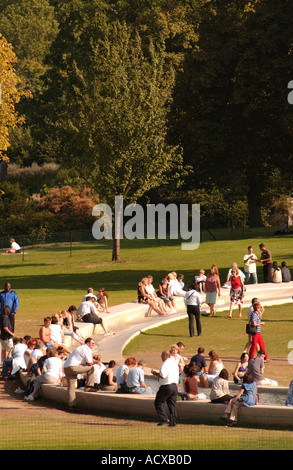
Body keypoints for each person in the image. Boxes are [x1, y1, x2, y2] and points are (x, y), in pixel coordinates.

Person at [64, 338, 98, 409]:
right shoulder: (87, 349)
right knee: (91, 368)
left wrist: (93, 360)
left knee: (71, 387)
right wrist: (97, 362)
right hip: (73, 367)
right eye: (92, 343)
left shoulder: (80, 348)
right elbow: (90, 363)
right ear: (88, 343)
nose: (93, 345)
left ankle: (71, 405)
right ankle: (89, 387)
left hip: (67, 368)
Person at [151, 350, 179, 427]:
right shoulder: (174, 363)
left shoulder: (165, 363)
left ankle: (163, 418)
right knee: (172, 405)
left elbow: (163, 375)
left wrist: (155, 374)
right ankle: (173, 422)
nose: (161, 358)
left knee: (158, 402)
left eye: (161, 356)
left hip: (166, 386)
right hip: (174, 386)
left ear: (164, 356)